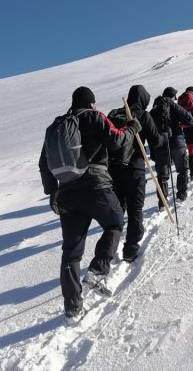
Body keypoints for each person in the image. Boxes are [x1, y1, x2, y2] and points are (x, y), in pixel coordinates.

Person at [38, 86, 140, 321]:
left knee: (71, 253)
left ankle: (72, 308)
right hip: (96, 186)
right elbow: (115, 140)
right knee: (115, 223)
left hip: (67, 194)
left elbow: (44, 164)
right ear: (91, 103)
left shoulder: (56, 128)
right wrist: (132, 129)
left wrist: (52, 193)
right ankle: (98, 269)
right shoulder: (94, 117)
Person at [104, 85, 162, 262]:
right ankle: (130, 248)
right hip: (135, 168)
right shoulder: (143, 115)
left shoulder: (114, 113)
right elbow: (155, 140)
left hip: (113, 169)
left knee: (118, 209)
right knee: (135, 208)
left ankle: (110, 246)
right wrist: (163, 137)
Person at [150, 87, 193, 202]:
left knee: (162, 176)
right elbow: (189, 120)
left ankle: (163, 203)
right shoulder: (172, 105)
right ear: (172, 96)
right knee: (182, 169)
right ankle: (181, 195)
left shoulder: (154, 109)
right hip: (177, 142)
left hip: (161, 144)